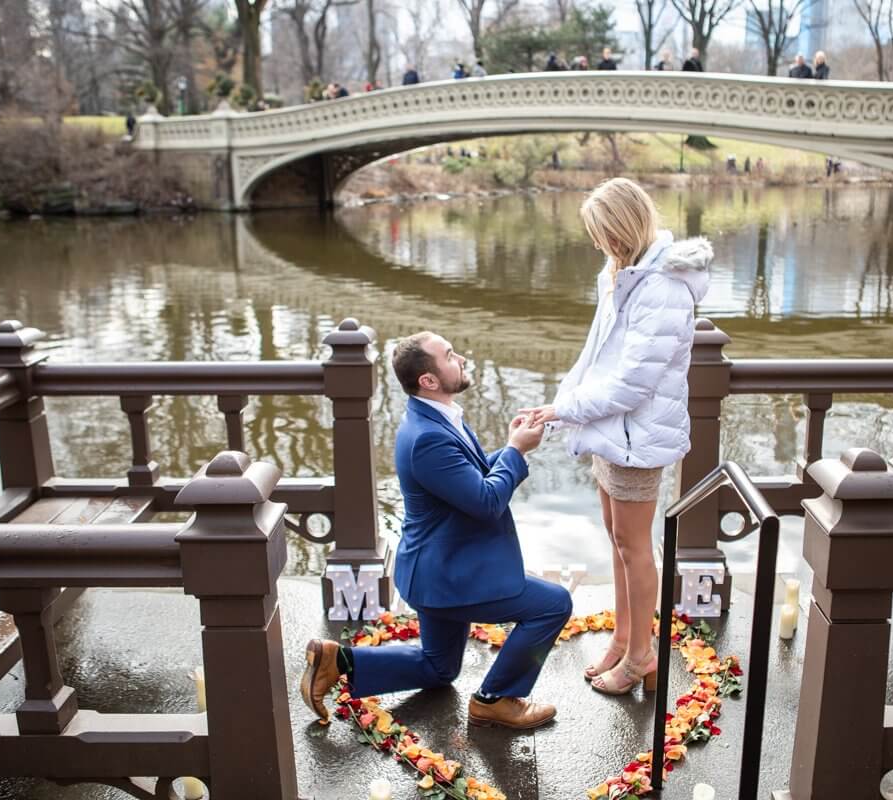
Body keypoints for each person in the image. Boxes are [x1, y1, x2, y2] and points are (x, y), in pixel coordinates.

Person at [302, 333, 570, 730]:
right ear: (428, 380)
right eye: (449, 356)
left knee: (439, 668)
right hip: (451, 576)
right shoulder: (429, 437)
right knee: (552, 604)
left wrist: (515, 448)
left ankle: (338, 660)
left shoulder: (434, 417)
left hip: (436, 570)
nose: (460, 357)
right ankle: (495, 699)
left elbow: (466, 478)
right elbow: (485, 502)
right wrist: (513, 451)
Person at [519, 179, 712, 697]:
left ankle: (640, 657)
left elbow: (632, 383)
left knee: (634, 546)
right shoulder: (624, 275)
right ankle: (624, 641)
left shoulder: (663, 287)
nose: (597, 243)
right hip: (612, 431)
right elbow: (595, 358)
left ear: (621, 230)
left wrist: (565, 408)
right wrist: (559, 409)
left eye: (601, 233)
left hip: (636, 437)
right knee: (619, 539)